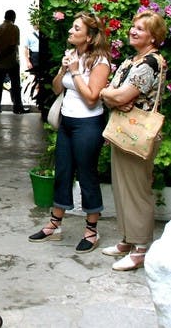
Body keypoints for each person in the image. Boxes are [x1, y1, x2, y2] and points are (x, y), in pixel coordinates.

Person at [29, 13, 111, 253]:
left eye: (76, 29)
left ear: (89, 35)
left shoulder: (101, 61)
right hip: (67, 123)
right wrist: (63, 70)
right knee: (62, 172)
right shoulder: (72, 56)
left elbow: (92, 97)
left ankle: (91, 232)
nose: (70, 32)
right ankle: (54, 225)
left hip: (88, 125)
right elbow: (56, 88)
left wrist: (75, 72)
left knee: (87, 175)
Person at [97, 11, 167, 272]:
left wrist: (112, 95)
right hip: (122, 131)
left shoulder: (150, 63)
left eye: (141, 29)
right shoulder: (131, 60)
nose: (133, 31)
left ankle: (141, 249)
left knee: (137, 190)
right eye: (133, 27)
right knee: (122, 186)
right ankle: (127, 240)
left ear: (153, 36)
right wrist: (111, 95)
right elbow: (110, 93)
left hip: (138, 133)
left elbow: (122, 94)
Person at [0, 9, 27, 114]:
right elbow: (12, 46)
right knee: (15, 85)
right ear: (13, 17)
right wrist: (2, 56)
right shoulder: (14, 28)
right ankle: (17, 107)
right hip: (11, 62)